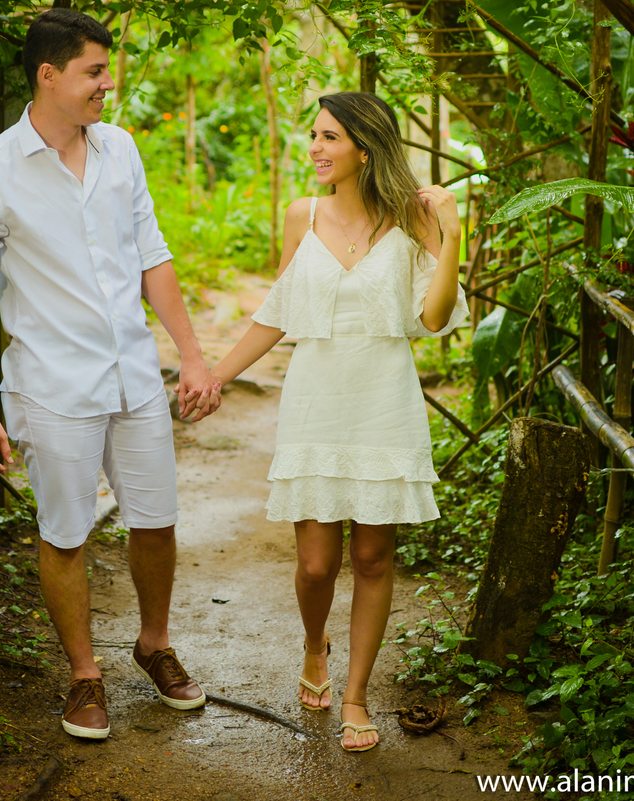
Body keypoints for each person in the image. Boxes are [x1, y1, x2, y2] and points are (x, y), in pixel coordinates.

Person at [0, 8, 221, 741]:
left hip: (133, 373)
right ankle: (83, 675)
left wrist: (192, 355)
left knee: (156, 520)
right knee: (65, 532)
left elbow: (152, 256)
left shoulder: (120, 149)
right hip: (52, 383)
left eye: (107, 70)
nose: (108, 84)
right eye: (94, 72)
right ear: (49, 75)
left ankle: (154, 645)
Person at [212, 92, 467, 752]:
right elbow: (277, 311)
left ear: (365, 148)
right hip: (316, 399)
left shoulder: (412, 218)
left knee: (373, 557)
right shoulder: (301, 215)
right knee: (317, 564)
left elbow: (435, 316)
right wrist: (216, 374)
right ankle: (313, 643)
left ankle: (355, 695)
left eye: (330, 137)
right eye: (315, 136)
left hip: (384, 400)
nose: (316, 148)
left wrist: (452, 235)